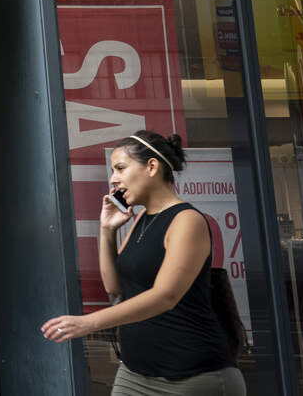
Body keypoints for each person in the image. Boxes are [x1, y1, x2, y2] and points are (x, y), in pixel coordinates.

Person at [41, 130, 244, 395]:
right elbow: (116, 290)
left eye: (120, 168)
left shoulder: (187, 221)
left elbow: (165, 296)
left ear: (151, 167)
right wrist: (107, 231)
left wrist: (88, 323)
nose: (113, 179)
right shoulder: (141, 220)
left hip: (193, 378)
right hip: (134, 374)